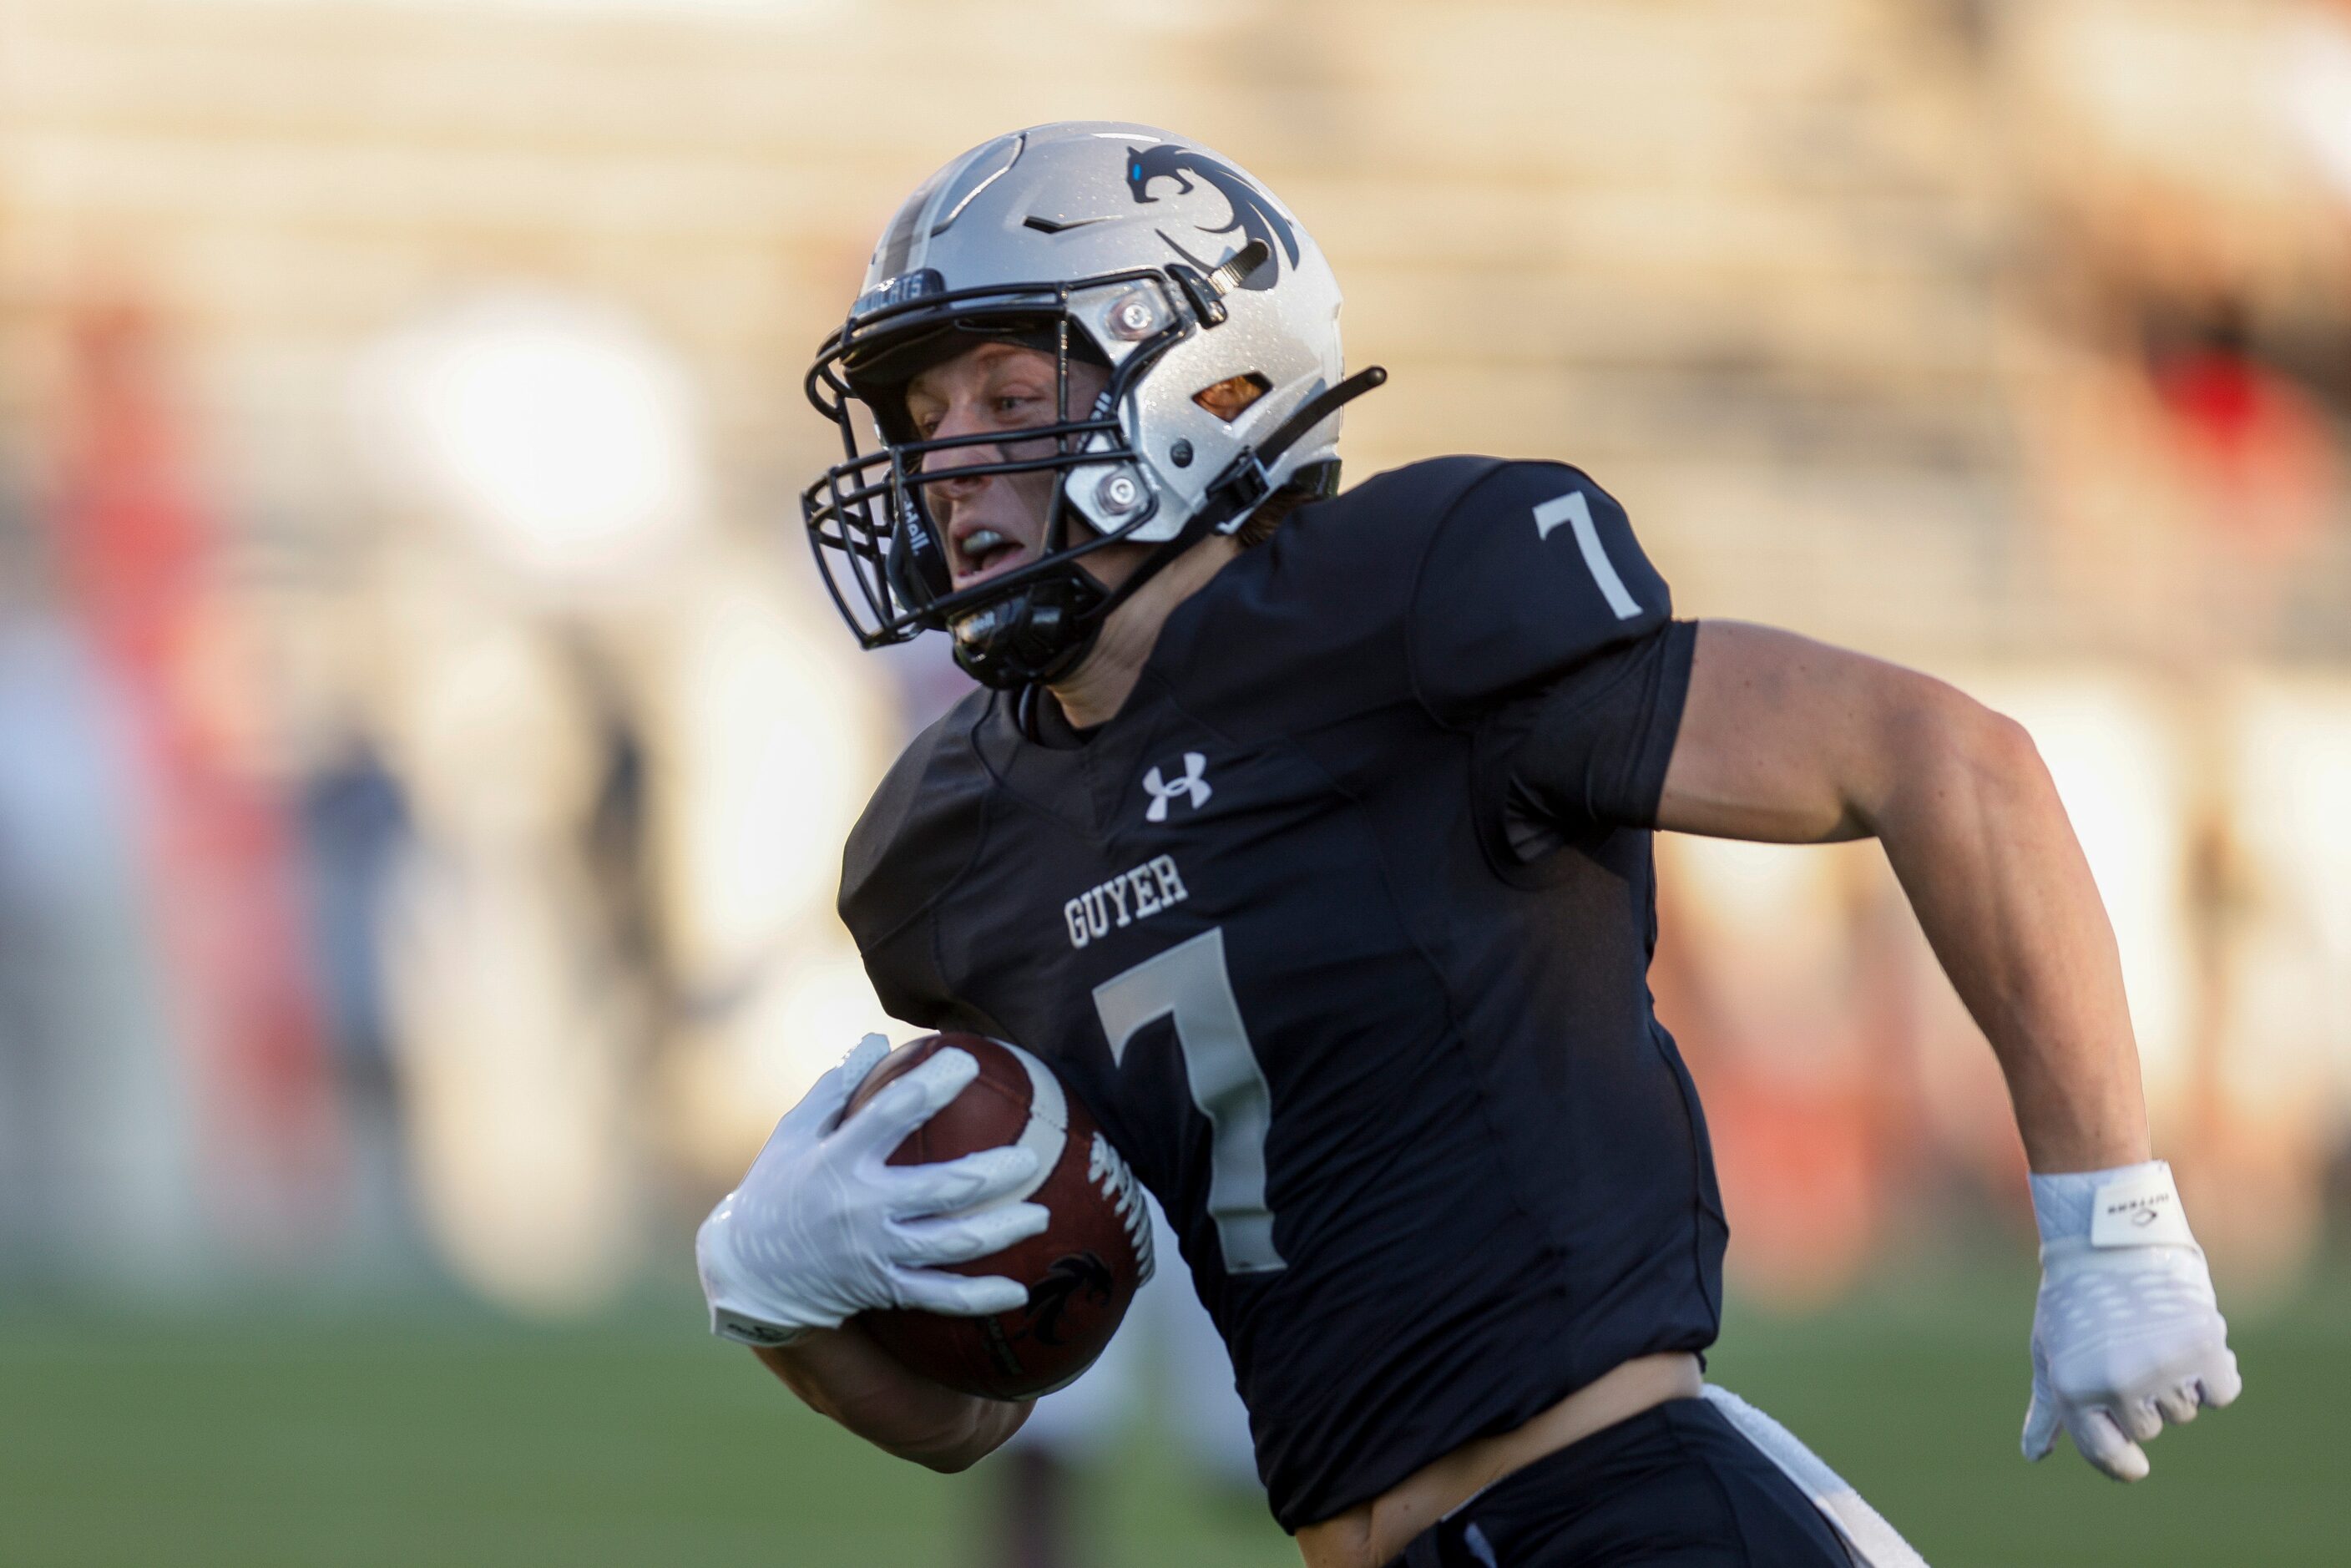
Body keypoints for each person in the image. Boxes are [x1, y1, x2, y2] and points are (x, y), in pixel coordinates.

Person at [696, 123, 2242, 1567]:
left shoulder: (1408, 601)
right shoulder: (949, 848)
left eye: (1007, 400)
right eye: (924, 414)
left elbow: (1945, 757)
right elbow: (983, 1398)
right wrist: (779, 1299)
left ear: (1194, 378)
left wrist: (2110, 1216)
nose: (947, 458)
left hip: (1637, 1513)